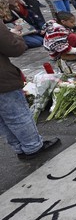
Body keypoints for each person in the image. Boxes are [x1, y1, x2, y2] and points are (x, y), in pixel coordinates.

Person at [0, 16, 60, 159]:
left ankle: (20, 147)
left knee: (3, 118)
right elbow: (13, 47)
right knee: (17, 114)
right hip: (2, 80)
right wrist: (15, 35)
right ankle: (32, 146)